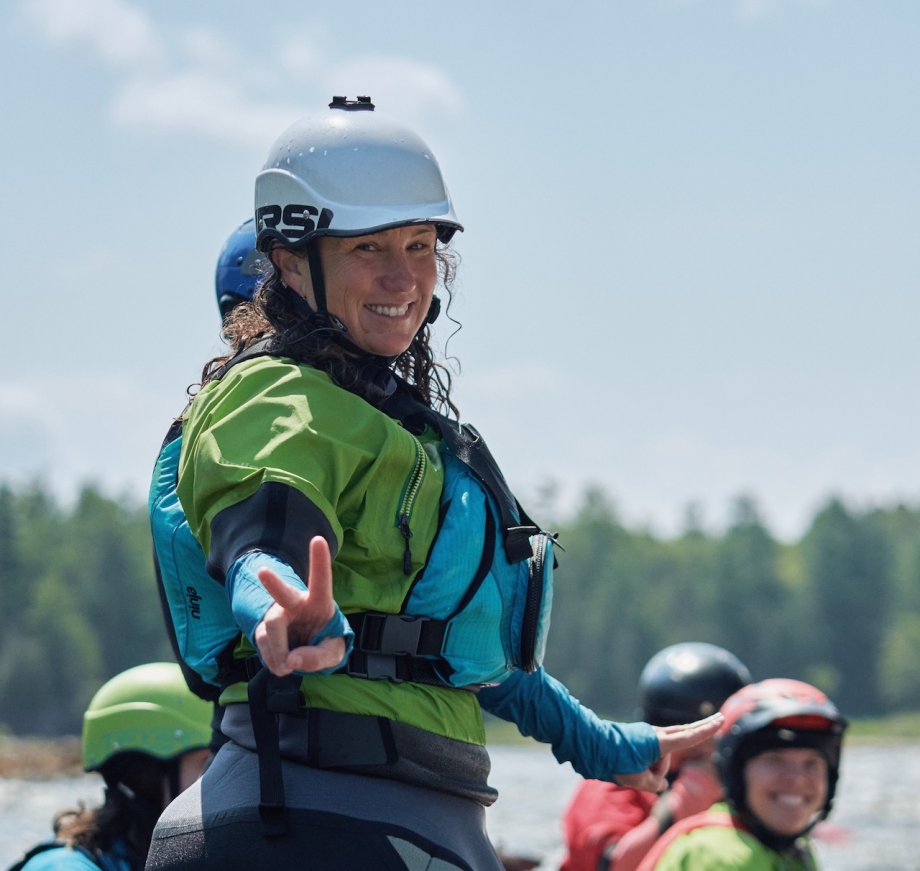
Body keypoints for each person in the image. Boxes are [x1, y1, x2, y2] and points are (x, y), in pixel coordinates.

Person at [146, 96, 723, 871]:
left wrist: (608, 745)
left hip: (392, 816)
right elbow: (262, 531)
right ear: (289, 263)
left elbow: (453, 649)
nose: (402, 275)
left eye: (420, 246)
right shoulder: (276, 398)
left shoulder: (399, 427)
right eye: (367, 248)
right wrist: (282, 608)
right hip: (326, 817)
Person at [561, 643, 751, 871]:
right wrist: (679, 808)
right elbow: (611, 865)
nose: (709, 747)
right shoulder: (612, 780)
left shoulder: (742, 784)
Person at [10, 664, 211, 871]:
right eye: (206, 763)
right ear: (146, 774)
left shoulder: (159, 856)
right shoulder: (63, 866)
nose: (218, 776)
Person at [634, 678, 848, 871]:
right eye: (774, 760)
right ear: (735, 772)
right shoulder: (717, 855)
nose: (797, 777)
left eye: (811, 763)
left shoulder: (793, 849)